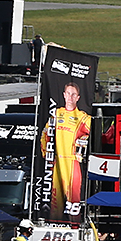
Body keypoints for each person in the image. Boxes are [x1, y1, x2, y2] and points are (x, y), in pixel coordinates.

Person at [42, 82, 91, 220]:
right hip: (56, 162)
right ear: (64, 95)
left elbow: (95, 133)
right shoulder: (57, 114)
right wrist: (46, 154)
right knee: (55, 201)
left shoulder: (83, 117)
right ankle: (52, 223)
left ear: (78, 97)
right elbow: (44, 135)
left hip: (72, 162)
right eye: (68, 93)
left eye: (73, 94)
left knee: (73, 200)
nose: (70, 97)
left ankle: (75, 225)